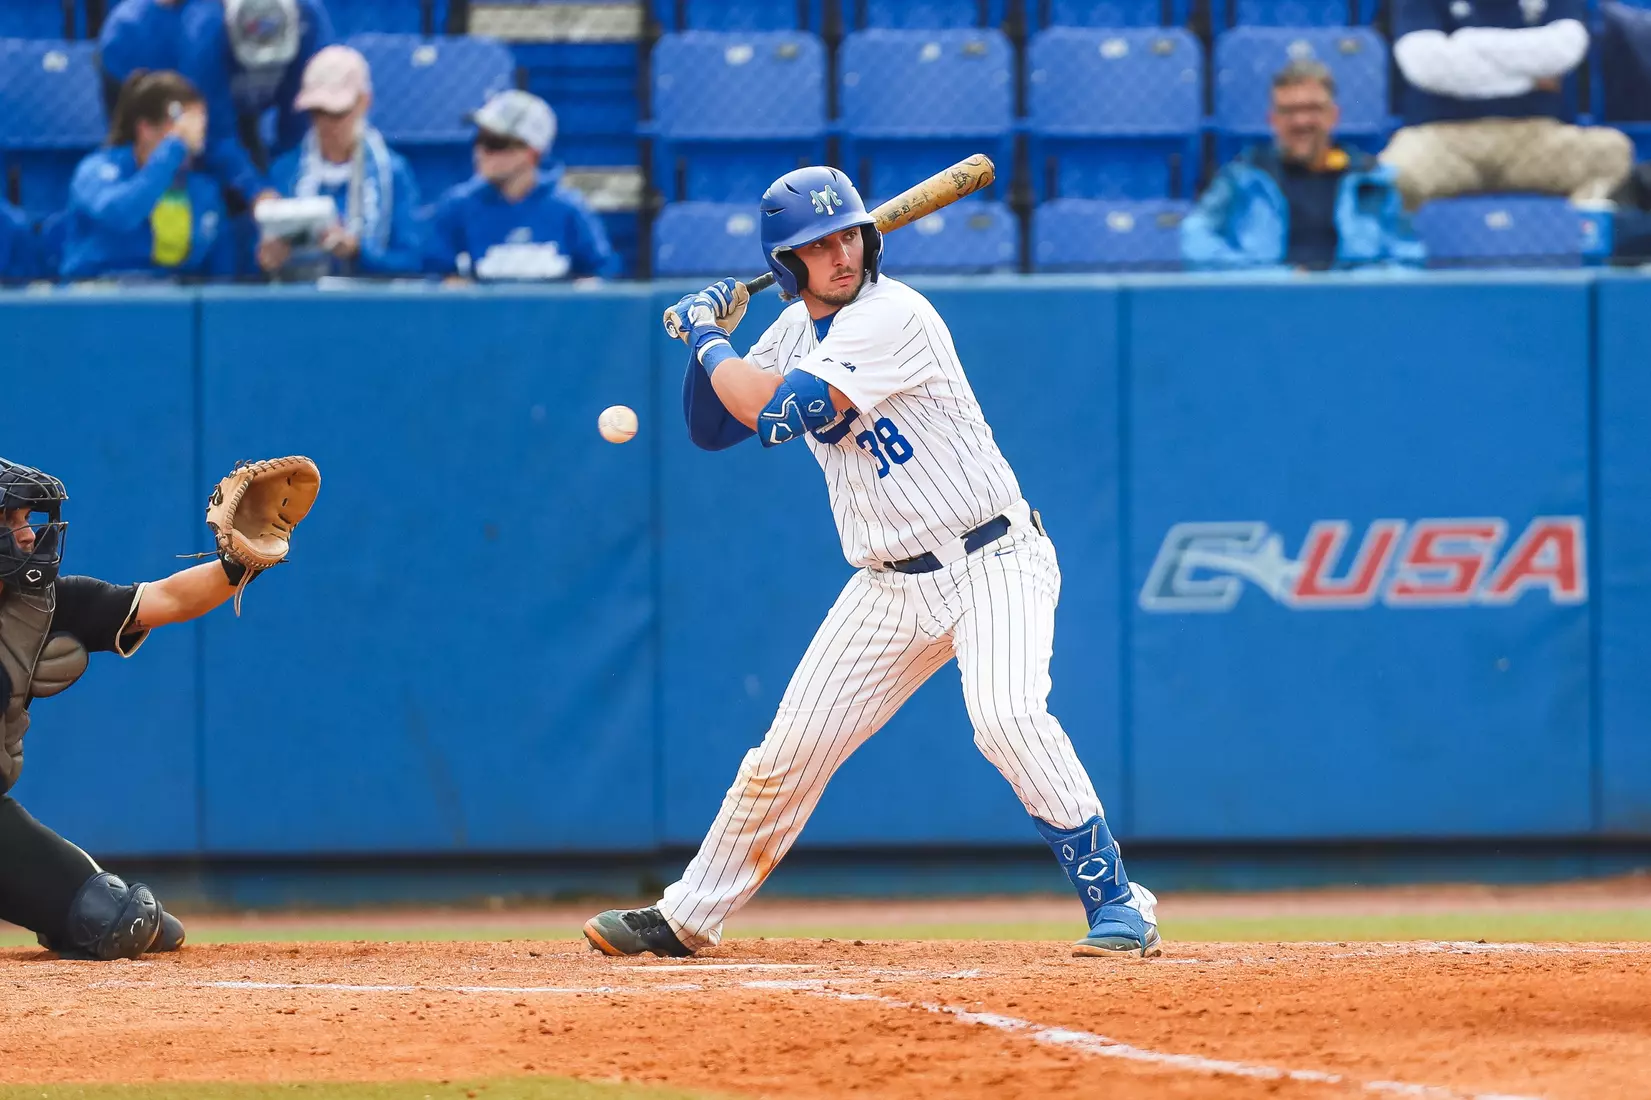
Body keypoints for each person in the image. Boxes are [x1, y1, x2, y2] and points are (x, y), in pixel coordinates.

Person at [581, 166, 1160, 960]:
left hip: (992, 557)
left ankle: (1120, 904)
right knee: (789, 749)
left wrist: (706, 335)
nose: (838, 254)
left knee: (1006, 717)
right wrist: (710, 343)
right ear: (786, 263)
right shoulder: (789, 329)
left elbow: (784, 413)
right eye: (814, 246)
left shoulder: (894, 315)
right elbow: (712, 429)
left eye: (846, 235)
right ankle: (688, 915)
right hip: (887, 583)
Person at [0, 457, 305, 959]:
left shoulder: (41, 605)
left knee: (124, 921)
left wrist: (237, 562)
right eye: (10, 521)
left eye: (27, 519)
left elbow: (168, 599)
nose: (28, 534)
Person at [1382, 0, 1633, 208]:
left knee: (1610, 152)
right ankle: (1406, 255)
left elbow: (1565, 49)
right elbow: (1425, 66)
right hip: (1443, 138)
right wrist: (1529, 80)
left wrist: (1462, 46)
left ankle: (1576, 245)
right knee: (1393, 173)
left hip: (1534, 137)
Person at [1182, 61, 1423, 270]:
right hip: (1267, 309)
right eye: (1288, 111)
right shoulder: (1242, 177)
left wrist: (1349, 286)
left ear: (1333, 116)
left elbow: (1407, 259)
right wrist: (1271, 281)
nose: (1301, 121)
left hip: (1351, 310)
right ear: (1272, 120)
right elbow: (1196, 241)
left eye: (1313, 109)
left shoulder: (1371, 181)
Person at [259, 45, 424, 279]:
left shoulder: (393, 172)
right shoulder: (285, 170)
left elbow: (412, 261)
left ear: (364, 102)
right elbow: (254, 261)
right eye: (317, 112)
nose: (326, 124)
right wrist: (267, 258)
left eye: (337, 113)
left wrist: (357, 251)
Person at [423, 90, 618, 282]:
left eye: (494, 143)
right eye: (478, 140)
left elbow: (600, 272)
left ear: (531, 152)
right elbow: (435, 273)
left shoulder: (569, 210)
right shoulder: (457, 207)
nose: (480, 151)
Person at [60, 70, 233, 282]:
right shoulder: (96, 170)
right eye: (182, 130)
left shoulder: (205, 191)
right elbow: (122, 213)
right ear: (146, 129)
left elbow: (222, 279)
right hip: (98, 300)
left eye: (198, 131)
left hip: (174, 303)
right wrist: (174, 147)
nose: (193, 142)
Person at [181, 0, 333, 208]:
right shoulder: (206, 27)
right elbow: (214, 131)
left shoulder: (309, 19)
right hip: (199, 115)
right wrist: (255, 190)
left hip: (250, 116)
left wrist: (286, 182)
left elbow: (301, 119)